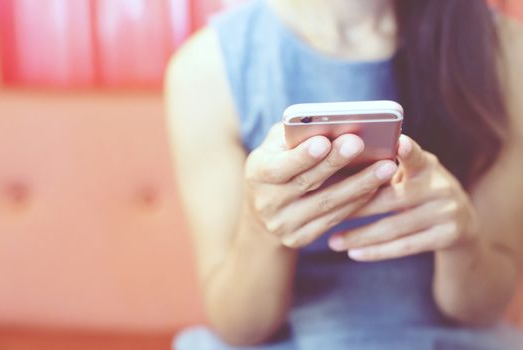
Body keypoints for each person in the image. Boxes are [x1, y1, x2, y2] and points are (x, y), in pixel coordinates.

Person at [166, 0, 523, 348]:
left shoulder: (506, 53)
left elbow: (480, 311)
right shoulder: (206, 70)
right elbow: (241, 328)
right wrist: (264, 230)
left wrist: (461, 239)